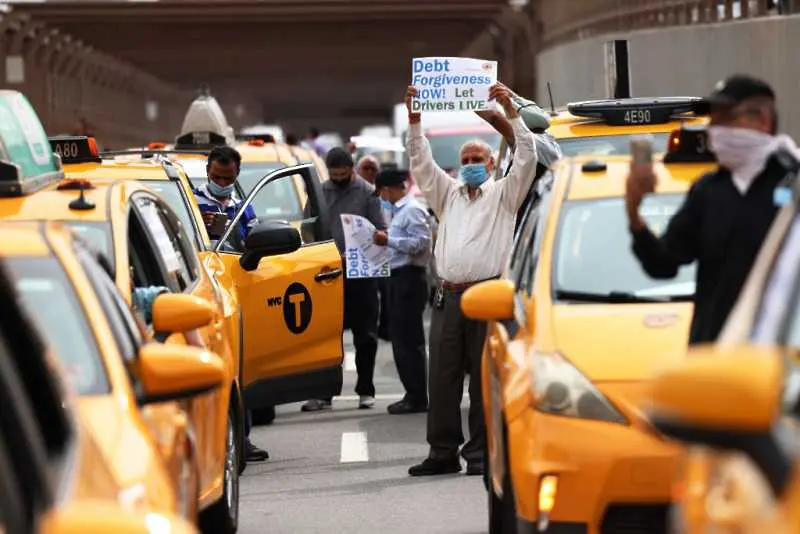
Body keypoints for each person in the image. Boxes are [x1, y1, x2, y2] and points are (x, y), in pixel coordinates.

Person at [404, 82, 538, 476]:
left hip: (487, 297)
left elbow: (527, 156)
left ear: (493, 164)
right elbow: (421, 164)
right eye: (466, 158)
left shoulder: (505, 195)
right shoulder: (447, 195)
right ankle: (441, 452)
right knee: (442, 380)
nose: (472, 162)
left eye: (479, 157)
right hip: (448, 298)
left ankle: (479, 452)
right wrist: (415, 122)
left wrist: (510, 111)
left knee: (484, 379)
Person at [626, 74, 800, 345]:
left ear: (763, 120)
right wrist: (634, 212)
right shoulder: (708, 192)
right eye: (713, 120)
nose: (714, 130)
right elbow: (664, 263)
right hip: (714, 355)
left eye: (725, 119)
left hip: (779, 361)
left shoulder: (793, 185)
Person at [191, 145, 268, 463]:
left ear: (237, 175)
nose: (221, 183)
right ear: (207, 171)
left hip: (237, 294)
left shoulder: (243, 205)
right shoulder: (192, 202)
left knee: (239, 368)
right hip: (200, 293)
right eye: (216, 177)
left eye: (228, 178)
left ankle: (241, 438)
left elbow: (255, 239)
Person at [301, 148, 387, 412]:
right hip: (328, 273)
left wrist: (365, 245)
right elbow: (307, 228)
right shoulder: (320, 192)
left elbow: (380, 229)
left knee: (365, 336)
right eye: (334, 175)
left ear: (352, 169)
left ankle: (365, 390)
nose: (338, 179)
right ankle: (323, 393)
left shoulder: (368, 192)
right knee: (326, 335)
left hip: (360, 274)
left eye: (343, 174)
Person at [373, 169, 432, 414]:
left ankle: (417, 396)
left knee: (409, 341)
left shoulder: (413, 210)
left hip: (409, 278)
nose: (381, 197)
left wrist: (390, 241)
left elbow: (421, 243)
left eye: (382, 192)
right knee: (399, 339)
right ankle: (412, 393)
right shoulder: (396, 212)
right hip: (396, 278)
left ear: (389, 189)